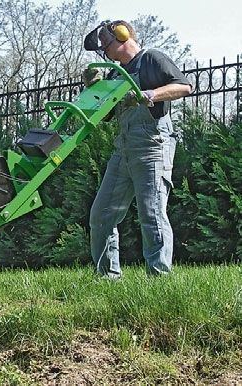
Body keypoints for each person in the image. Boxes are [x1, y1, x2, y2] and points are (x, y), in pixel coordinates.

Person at [82, 20, 192, 277]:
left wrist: (150, 94)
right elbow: (106, 115)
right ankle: (107, 279)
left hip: (153, 147)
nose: (103, 50)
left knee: (152, 215)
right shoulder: (115, 73)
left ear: (121, 36)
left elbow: (184, 86)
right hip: (123, 151)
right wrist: (93, 88)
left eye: (104, 43)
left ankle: (159, 280)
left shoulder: (151, 59)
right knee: (102, 215)